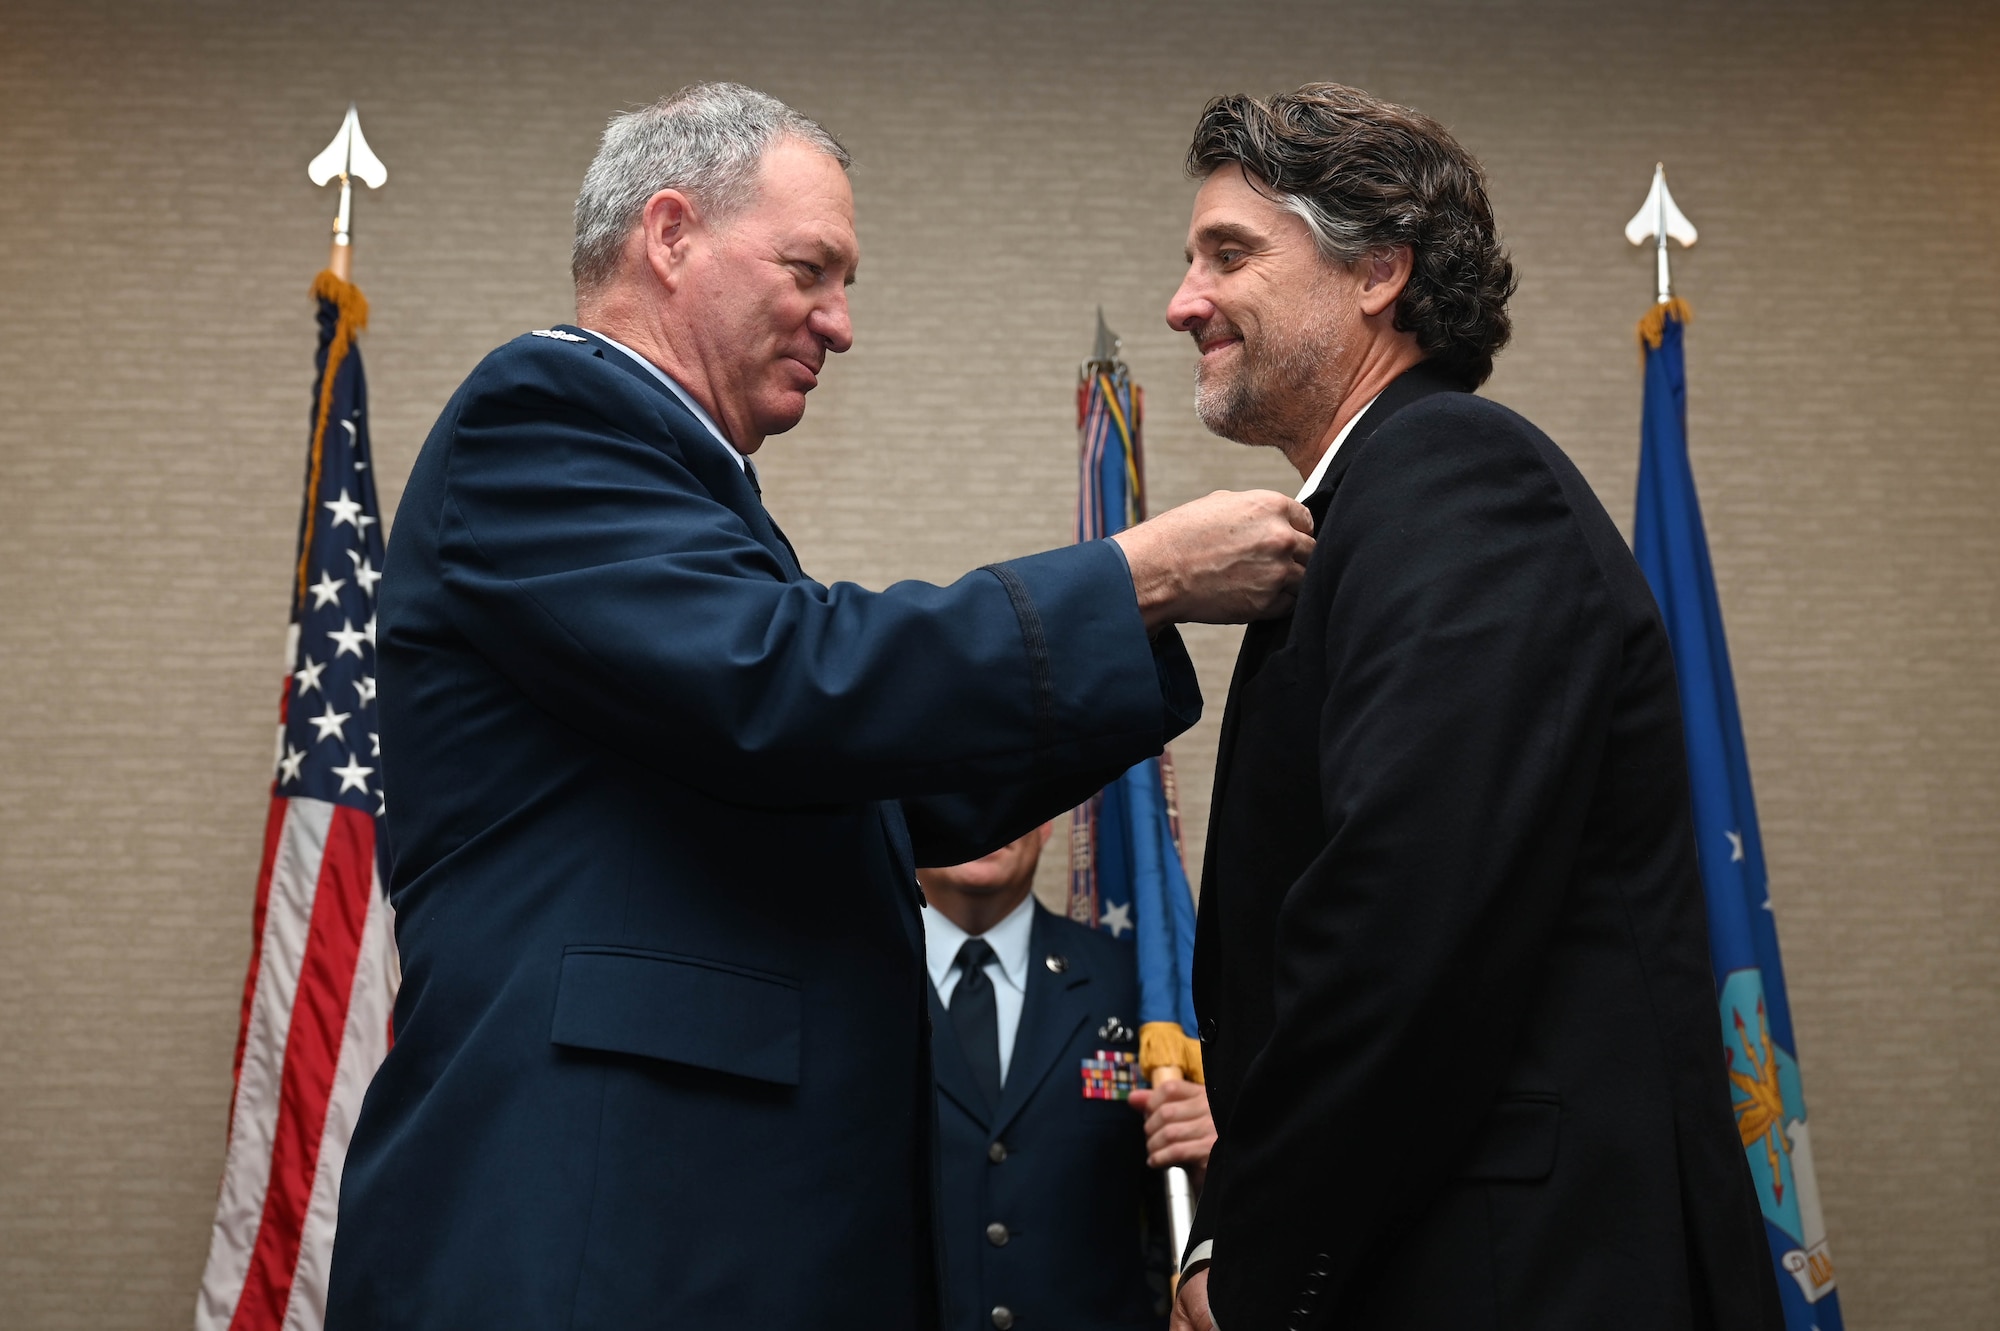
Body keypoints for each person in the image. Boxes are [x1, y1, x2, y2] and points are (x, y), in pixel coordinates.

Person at [325, 83, 1312, 1331]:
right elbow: (781, 680)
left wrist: (1151, 628)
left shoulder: (693, 499)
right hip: (599, 1230)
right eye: (812, 270)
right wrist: (1140, 573)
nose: (839, 324)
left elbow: (899, 790)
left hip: (718, 1230)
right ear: (670, 235)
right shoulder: (546, 417)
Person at [1161, 85, 1784, 1331]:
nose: (1184, 300)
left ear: (1376, 271)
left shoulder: (1450, 475)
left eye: (1228, 253)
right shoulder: (1367, 511)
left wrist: (1254, 1261)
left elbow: (1402, 920)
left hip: (1505, 1271)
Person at [921, 824, 1217, 1331]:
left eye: (1009, 783)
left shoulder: (1140, 994)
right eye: (956, 783)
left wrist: (1218, 1156)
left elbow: (1182, 1215)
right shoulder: (853, 982)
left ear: (1047, 821)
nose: (984, 807)